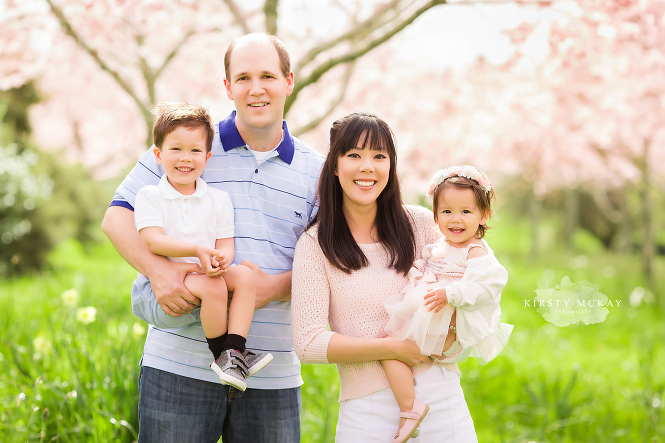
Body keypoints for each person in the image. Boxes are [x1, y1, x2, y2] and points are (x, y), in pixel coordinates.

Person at [101, 34, 324, 442]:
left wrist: (270, 288)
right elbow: (117, 218)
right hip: (177, 366)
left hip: (271, 374)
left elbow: (327, 265)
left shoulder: (318, 172)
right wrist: (161, 274)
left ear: (289, 81)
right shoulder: (189, 144)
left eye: (267, 76)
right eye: (243, 78)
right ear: (228, 88)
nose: (256, 89)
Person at [292, 113, 486, 442]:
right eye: (354, 155)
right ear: (335, 166)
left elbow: (473, 288)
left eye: (379, 156)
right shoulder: (315, 244)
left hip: (441, 399)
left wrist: (449, 342)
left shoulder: (422, 223)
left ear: (391, 166)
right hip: (367, 412)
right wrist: (392, 349)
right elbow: (309, 343)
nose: (367, 166)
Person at [134, 102, 273, 391]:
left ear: (207, 157)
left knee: (245, 277)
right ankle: (221, 356)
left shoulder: (218, 199)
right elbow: (152, 240)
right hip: (171, 276)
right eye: (176, 149)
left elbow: (225, 244)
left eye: (195, 150)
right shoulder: (151, 195)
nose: (186, 158)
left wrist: (222, 260)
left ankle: (235, 349)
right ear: (158, 155)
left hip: (203, 271)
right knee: (214, 288)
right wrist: (198, 251)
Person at [382, 165, 513, 441]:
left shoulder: (476, 251)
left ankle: (410, 409)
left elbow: (488, 285)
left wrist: (449, 293)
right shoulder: (443, 245)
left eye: (466, 212)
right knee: (391, 348)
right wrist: (422, 273)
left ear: (483, 216)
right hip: (436, 315)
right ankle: (410, 407)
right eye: (447, 211)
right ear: (435, 216)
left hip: (450, 321)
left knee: (389, 349)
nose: (456, 219)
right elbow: (432, 266)